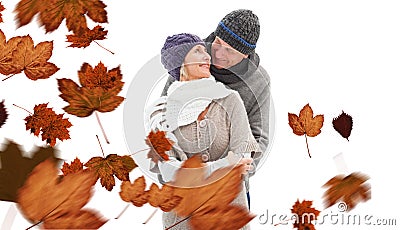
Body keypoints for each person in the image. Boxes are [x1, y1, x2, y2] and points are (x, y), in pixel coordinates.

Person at [161, 9, 271, 208]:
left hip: (229, 189)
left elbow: (259, 135)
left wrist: (239, 170)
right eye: (218, 43)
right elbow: (163, 116)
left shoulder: (258, 81)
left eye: (230, 50)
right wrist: (173, 172)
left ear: (246, 55)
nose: (218, 54)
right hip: (183, 186)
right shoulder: (192, 56)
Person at [147, 33, 259, 230]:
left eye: (205, 51)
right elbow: (169, 171)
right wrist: (225, 164)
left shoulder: (230, 100)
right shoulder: (161, 113)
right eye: (198, 51)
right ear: (181, 61)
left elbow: (243, 161)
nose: (207, 57)